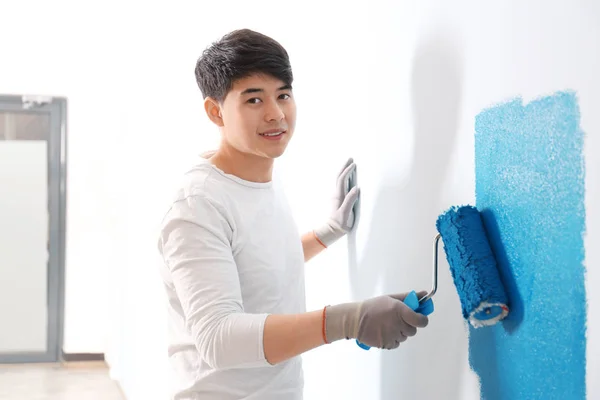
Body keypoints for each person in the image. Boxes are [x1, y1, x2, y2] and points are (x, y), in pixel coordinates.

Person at [156, 28, 430, 400]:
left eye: (283, 95)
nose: (275, 114)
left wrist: (326, 233)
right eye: (253, 100)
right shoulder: (197, 205)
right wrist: (348, 320)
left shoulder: (260, 171)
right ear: (215, 111)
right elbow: (218, 338)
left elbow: (252, 264)